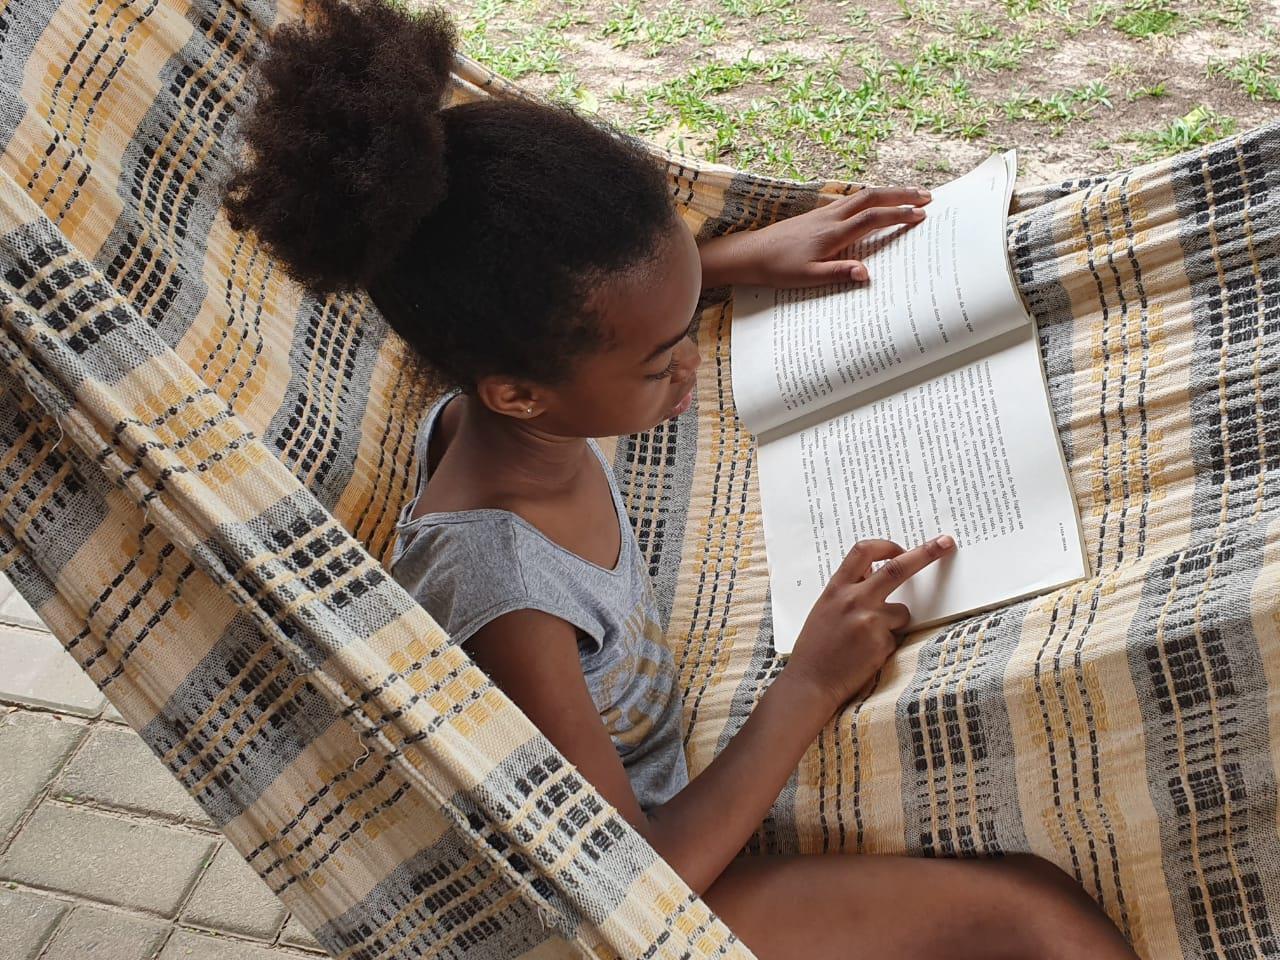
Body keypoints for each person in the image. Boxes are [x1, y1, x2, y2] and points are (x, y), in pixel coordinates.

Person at [222, 0, 1138, 956]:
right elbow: (628, 880)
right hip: (650, 890)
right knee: (1030, 910)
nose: (690, 366)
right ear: (521, 393)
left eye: (687, 321)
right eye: (663, 359)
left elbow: (589, 325)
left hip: (668, 801)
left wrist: (730, 261)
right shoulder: (506, 594)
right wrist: (810, 683)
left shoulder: (491, 410)